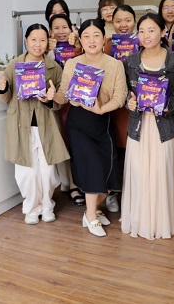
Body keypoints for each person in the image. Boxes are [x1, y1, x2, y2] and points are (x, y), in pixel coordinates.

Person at [55, 19, 128, 237]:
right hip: (79, 123)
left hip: (103, 121)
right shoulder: (72, 64)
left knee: (109, 174)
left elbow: (120, 96)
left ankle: (92, 210)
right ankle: (91, 216)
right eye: (86, 36)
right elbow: (63, 94)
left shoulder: (115, 65)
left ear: (104, 39)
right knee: (93, 168)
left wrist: (101, 109)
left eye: (96, 35)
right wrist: (53, 97)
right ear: (80, 40)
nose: (91, 40)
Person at [122, 13, 174, 239]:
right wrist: (129, 102)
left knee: (161, 173)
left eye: (151, 30)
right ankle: (140, 220)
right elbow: (125, 94)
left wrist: (169, 106)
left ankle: (162, 221)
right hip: (139, 126)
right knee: (139, 174)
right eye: (141, 31)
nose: (146, 35)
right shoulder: (131, 61)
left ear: (163, 32)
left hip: (165, 127)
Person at [0, 24, 70, 224]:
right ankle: (31, 207)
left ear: (48, 42)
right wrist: (2, 88)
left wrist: (52, 98)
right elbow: (5, 98)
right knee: (26, 171)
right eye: (34, 40)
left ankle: (47, 206)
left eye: (42, 40)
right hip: (21, 125)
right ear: (26, 41)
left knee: (48, 170)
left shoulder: (54, 67)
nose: (38, 44)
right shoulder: (14, 65)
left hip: (47, 124)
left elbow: (62, 99)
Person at [101, 4, 138, 213]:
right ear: (112, 23)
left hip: (135, 105)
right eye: (118, 21)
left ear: (134, 21)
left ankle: (133, 194)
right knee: (114, 149)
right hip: (113, 106)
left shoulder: (142, 41)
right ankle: (113, 192)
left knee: (132, 149)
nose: (123, 25)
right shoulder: (107, 44)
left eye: (128, 20)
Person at [48, 13, 84, 206]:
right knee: (69, 144)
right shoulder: (49, 51)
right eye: (56, 28)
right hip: (62, 102)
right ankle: (73, 186)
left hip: (82, 100)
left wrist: (78, 45)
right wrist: (49, 51)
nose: (61, 31)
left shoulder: (79, 45)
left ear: (71, 28)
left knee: (83, 143)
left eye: (64, 27)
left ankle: (86, 183)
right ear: (50, 31)